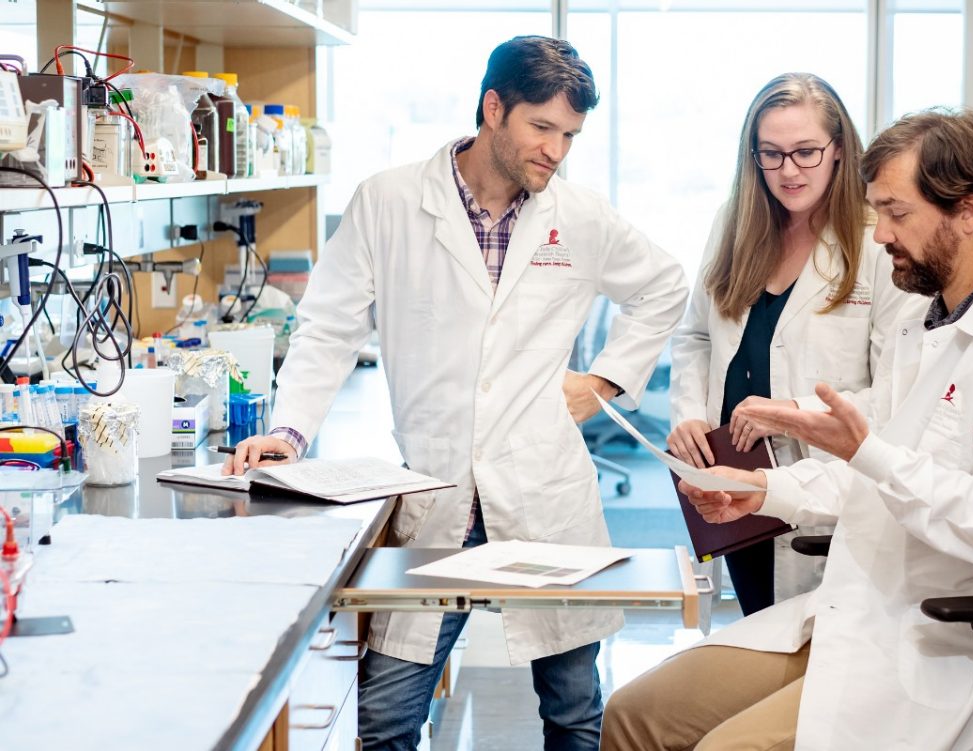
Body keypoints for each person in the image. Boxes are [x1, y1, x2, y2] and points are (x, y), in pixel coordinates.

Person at [600, 109, 973, 750]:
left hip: (952, 647)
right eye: (878, 213)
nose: (879, 236)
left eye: (897, 214)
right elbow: (872, 475)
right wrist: (761, 492)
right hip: (865, 611)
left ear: (968, 210)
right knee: (634, 713)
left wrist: (869, 454)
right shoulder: (928, 327)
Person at [225, 36, 688, 751]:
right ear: (493, 109)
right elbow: (328, 328)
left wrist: (602, 381)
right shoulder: (389, 202)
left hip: (542, 489)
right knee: (385, 719)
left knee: (573, 710)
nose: (556, 151)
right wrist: (288, 432)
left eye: (570, 135)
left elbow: (664, 286)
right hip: (435, 491)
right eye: (543, 128)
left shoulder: (581, 216)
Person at [667, 73, 913, 615]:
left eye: (806, 152)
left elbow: (898, 392)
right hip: (731, 476)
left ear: (841, 150)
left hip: (828, 485)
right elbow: (696, 336)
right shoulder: (736, 224)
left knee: (819, 654)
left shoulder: (878, 242)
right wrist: (687, 413)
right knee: (760, 628)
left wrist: (791, 413)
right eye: (771, 155)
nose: (789, 171)